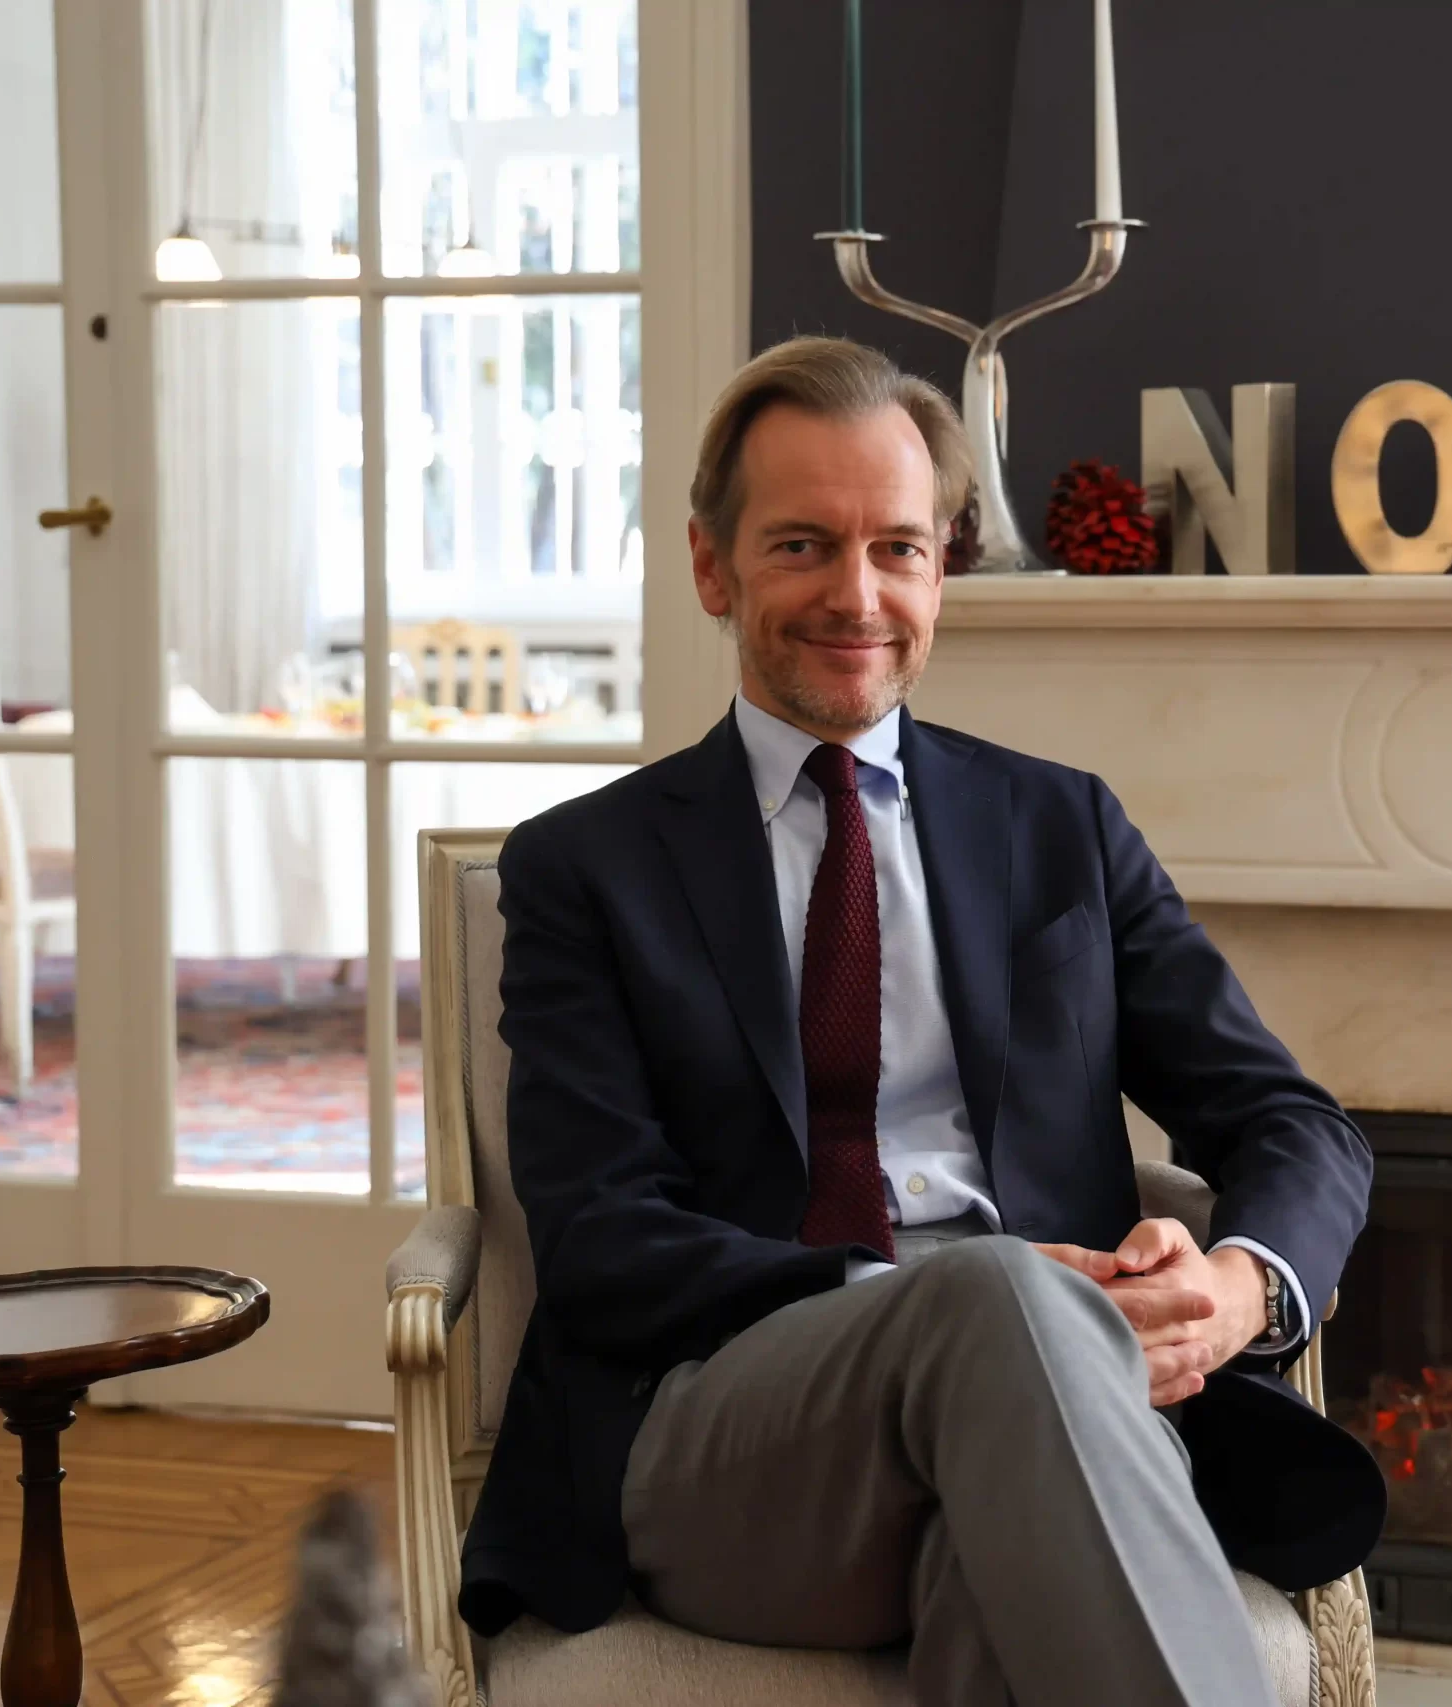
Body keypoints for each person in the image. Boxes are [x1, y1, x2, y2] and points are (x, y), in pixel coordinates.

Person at [459, 336, 1383, 1707]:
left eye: (897, 548)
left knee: (1005, 1549)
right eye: (802, 546)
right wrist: (930, 1300)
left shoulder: (1063, 827)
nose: (858, 595)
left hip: (1058, 1425)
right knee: (996, 1298)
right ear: (712, 567)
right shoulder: (584, 869)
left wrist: (1243, 1286)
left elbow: (1292, 1122)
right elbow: (600, 1237)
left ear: (941, 567)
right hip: (726, 1432)